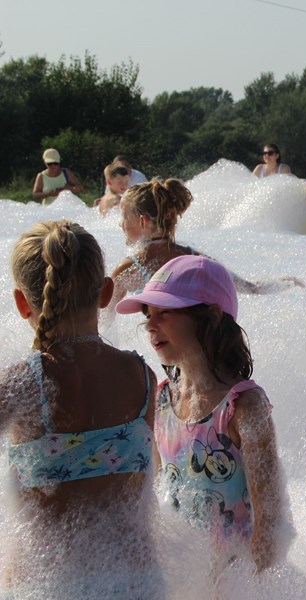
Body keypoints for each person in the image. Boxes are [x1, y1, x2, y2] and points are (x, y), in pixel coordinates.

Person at [0, 220, 161, 597]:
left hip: (50, 584)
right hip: (137, 582)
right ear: (106, 292)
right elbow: (148, 477)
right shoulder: (141, 377)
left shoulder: (19, 384)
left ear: (22, 302)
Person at [116, 255, 290, 581]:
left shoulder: (243, 406)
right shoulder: (161, 399)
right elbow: (158, 494)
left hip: (236, 578)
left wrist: (255, 584)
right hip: (183, 573)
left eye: (165, 313)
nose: (150, 325)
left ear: (210, 317)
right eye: (148, 315)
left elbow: (270, 520)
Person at [109, 180, 300, 319]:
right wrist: (286, 282)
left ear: (143, 221)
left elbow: (104, 322)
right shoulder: (196, 259)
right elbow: (250, 288)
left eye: (124, 217)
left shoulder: (130, 269)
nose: (120, 224)